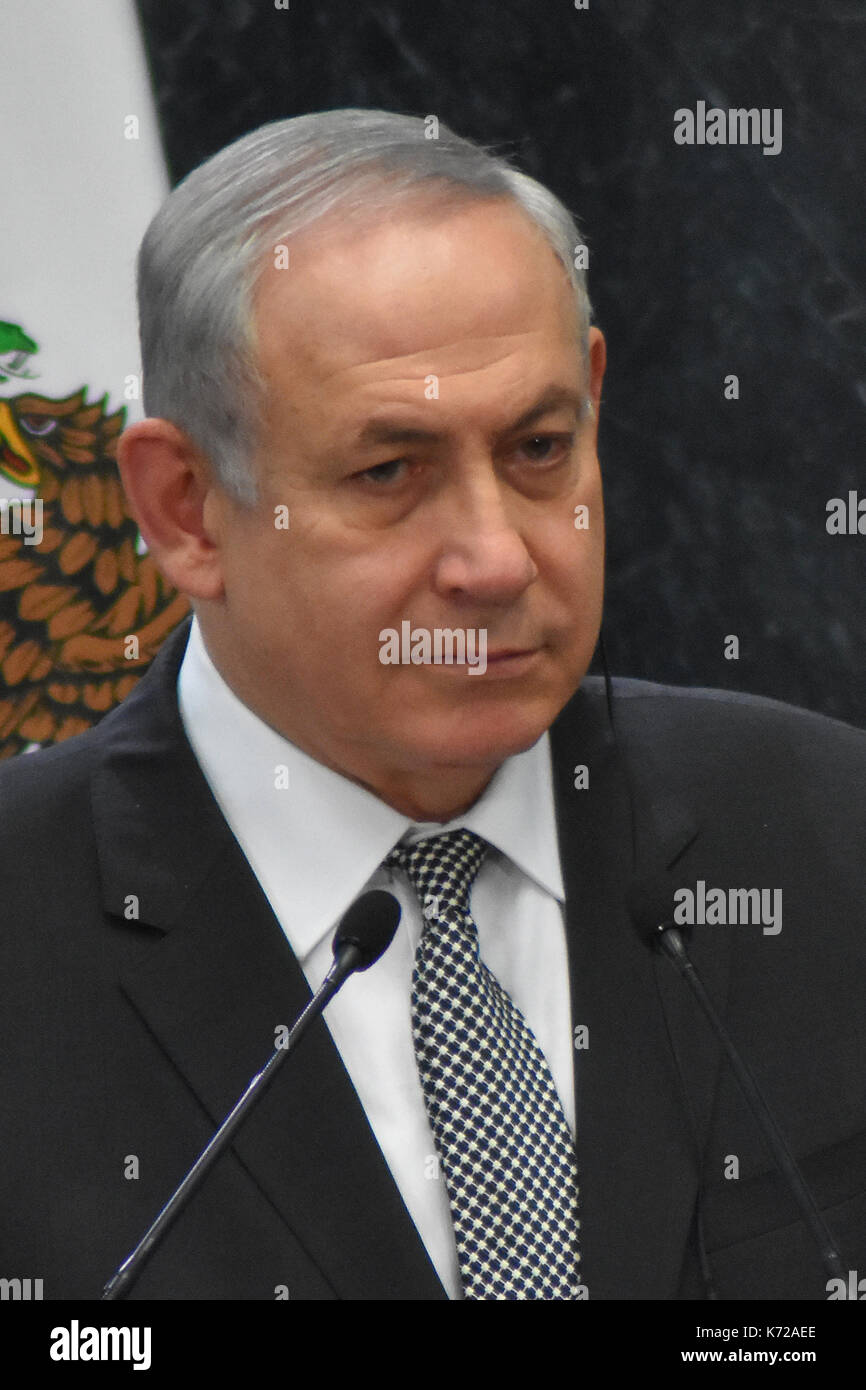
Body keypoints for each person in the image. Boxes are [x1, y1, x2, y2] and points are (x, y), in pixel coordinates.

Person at [1, 109, 864, 1303]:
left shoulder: (821, 830)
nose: (495, 559)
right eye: (388, 472)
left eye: (536, 447)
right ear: (186, 508)